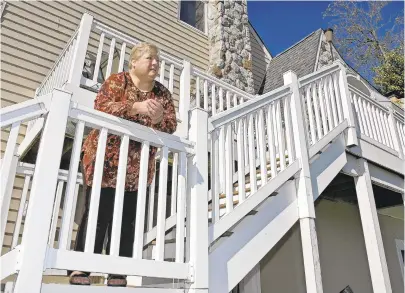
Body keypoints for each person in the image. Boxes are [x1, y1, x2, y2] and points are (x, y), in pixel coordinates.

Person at [69, 42, 177, 287]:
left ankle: (118, 272)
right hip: (105, 161)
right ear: (134, 62)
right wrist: (136, 107)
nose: (155, 63)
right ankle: (81, 269)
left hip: (137, 168)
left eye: (157, 59)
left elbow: (171, 124)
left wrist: (159, 118)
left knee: (128, 218)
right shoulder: (118, 81)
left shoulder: (162, 94)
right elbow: (102, 106)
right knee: (98, 212)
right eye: (149, 58)